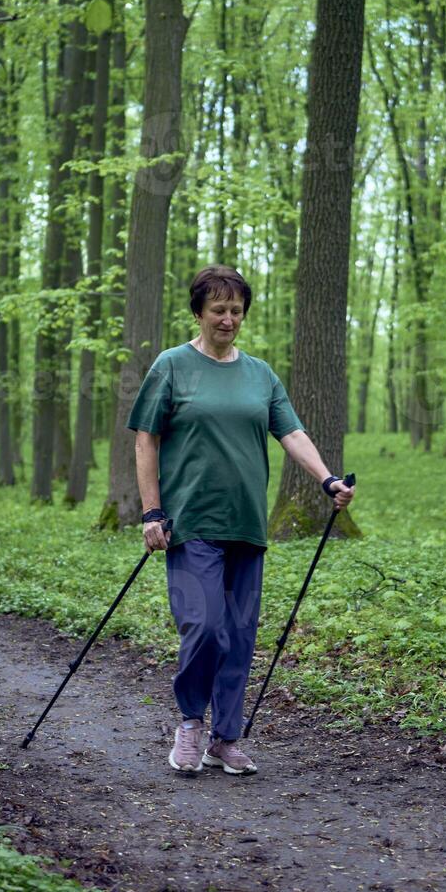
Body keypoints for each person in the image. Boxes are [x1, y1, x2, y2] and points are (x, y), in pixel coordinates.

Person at [126, 264, 355, 776]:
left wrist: (327, 480)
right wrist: (151, 511)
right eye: (218, 310)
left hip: (247, 524)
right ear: (199, 313)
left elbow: (290, 432)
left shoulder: (260, 374)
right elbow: (146, 438)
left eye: (236, 310)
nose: (228, 319)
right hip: (190, 522)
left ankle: (225, 738)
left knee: (238, 633)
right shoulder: (171, 366)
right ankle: (189, 722)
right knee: (203, 627)